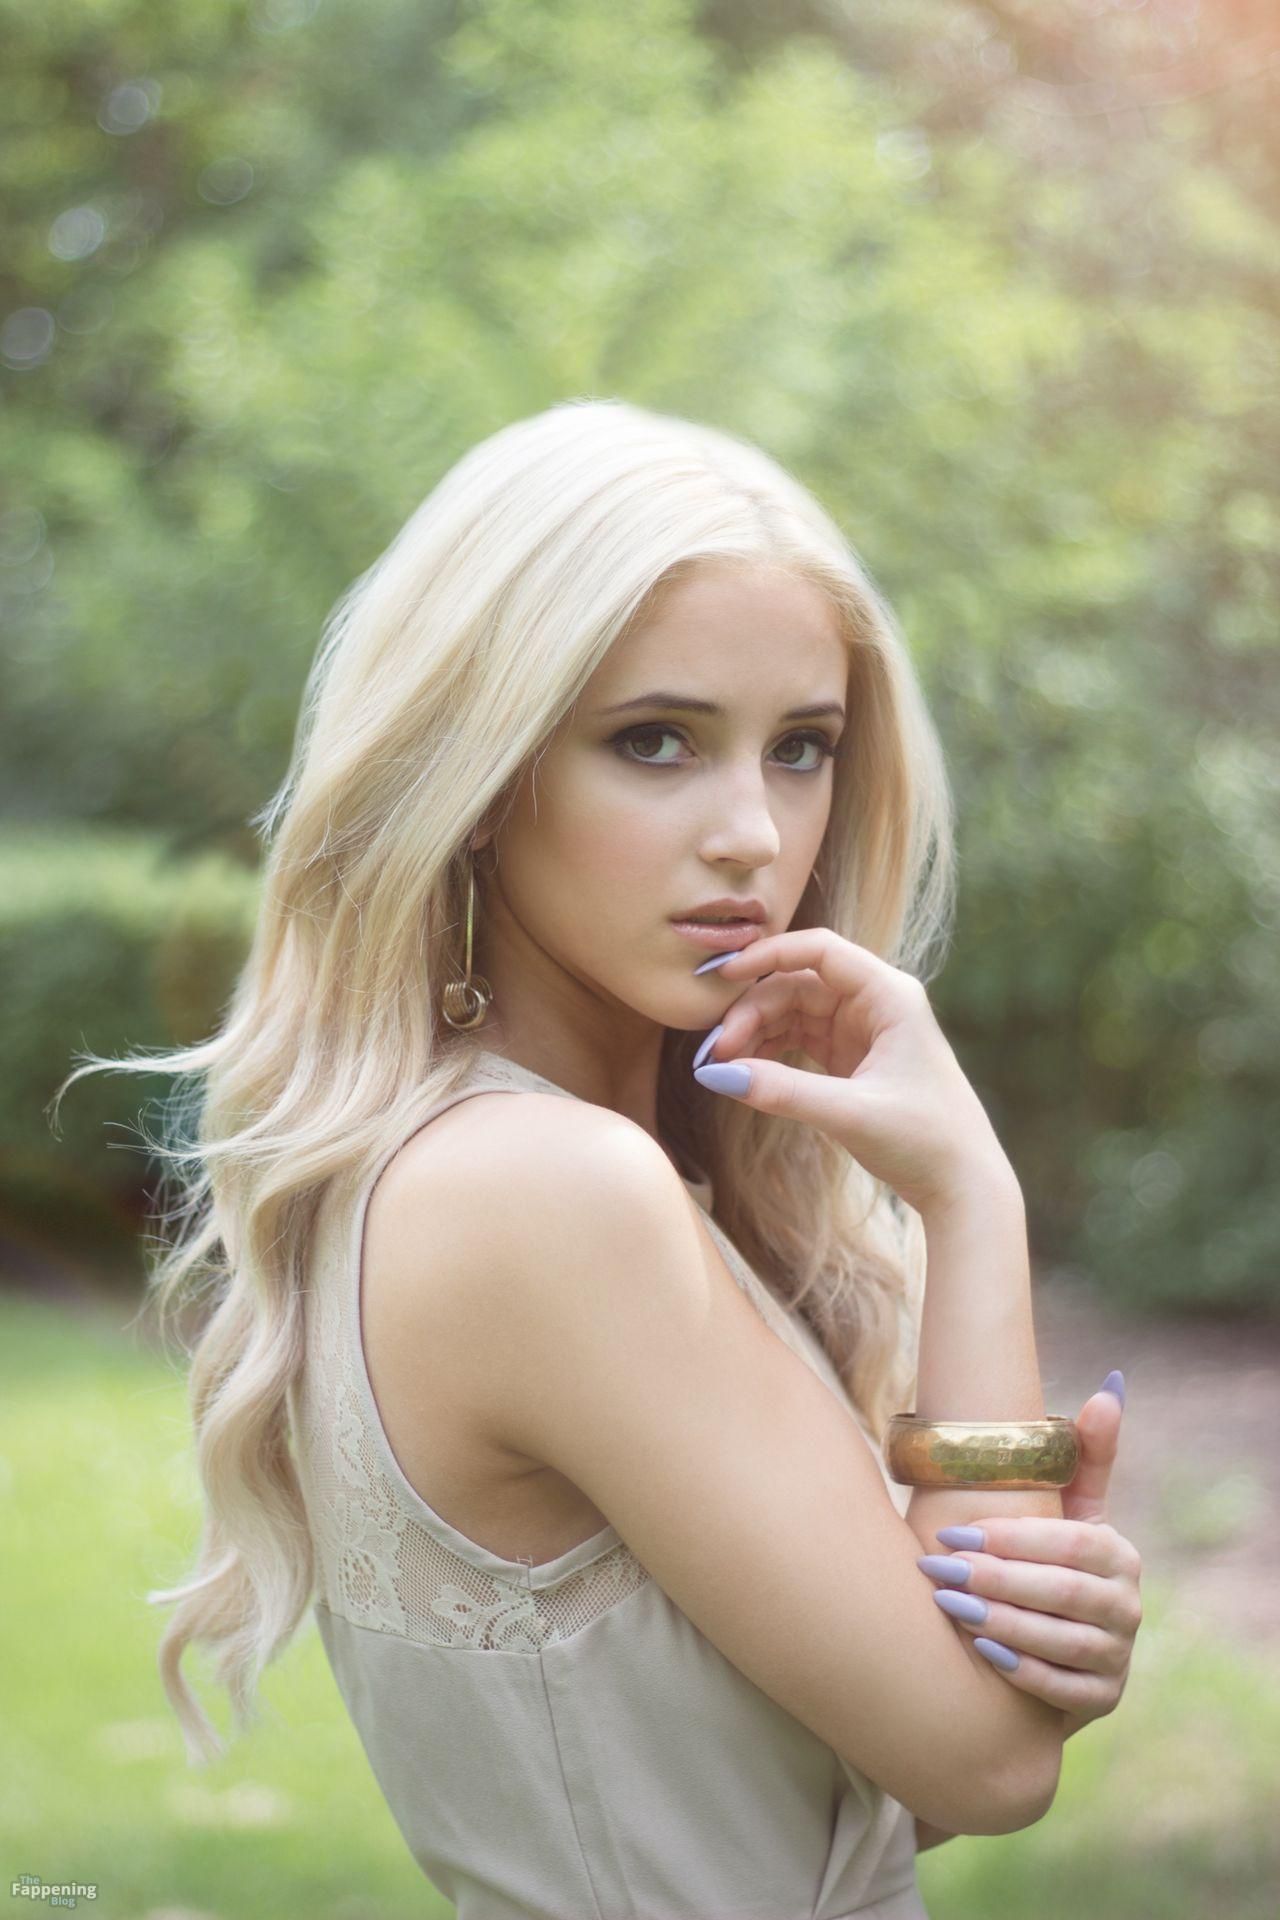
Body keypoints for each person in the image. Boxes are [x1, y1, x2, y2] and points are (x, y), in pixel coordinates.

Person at [57, 398, 1142, 1918]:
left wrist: (1025, 1614)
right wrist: (971, 1192)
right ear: (482, 774)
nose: (753, 833)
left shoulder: (487, 1168)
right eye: (655, 742)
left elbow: (820, 1810)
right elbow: (987, 1764)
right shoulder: (549, 1195)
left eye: (803, 748)